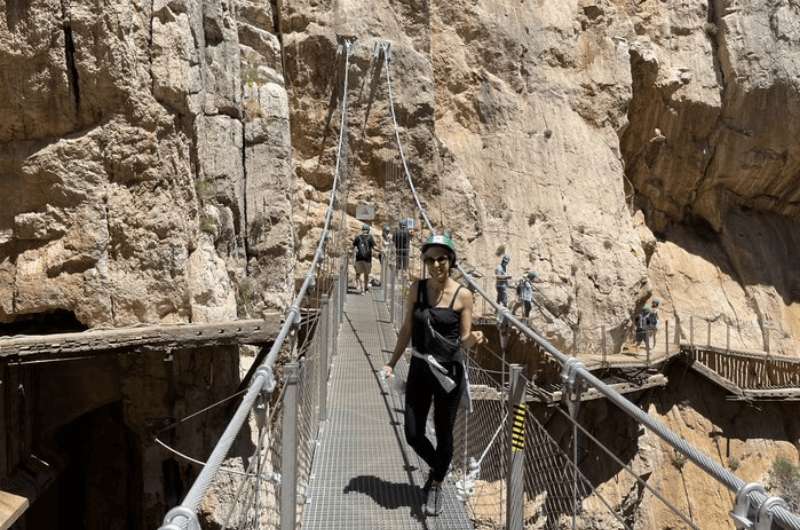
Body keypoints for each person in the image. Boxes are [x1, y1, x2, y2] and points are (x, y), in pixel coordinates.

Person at [382, 234, 485, 516]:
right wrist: (392, 362)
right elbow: (406, 328)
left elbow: (461, 340)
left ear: (451, 260)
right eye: (429, 259)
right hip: (418, 367)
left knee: (443, 432)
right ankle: (441, 465)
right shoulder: (417, 288)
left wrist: (472, 340)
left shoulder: (463, 295)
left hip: (447, 373)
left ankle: (437, 481)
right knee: (413, 433)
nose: (435, 264)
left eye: (441, 258)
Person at [352, 224, 376, 294]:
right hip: (367, 259)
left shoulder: (358, 237)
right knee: (366, 274)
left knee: (360, 274)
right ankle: (366, 289)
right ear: (368, 230)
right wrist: (381, 251)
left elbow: (352, 247)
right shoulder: (370, 237)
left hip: (359, 258)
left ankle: (362, 289)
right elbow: (374, 248)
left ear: (362, 230)